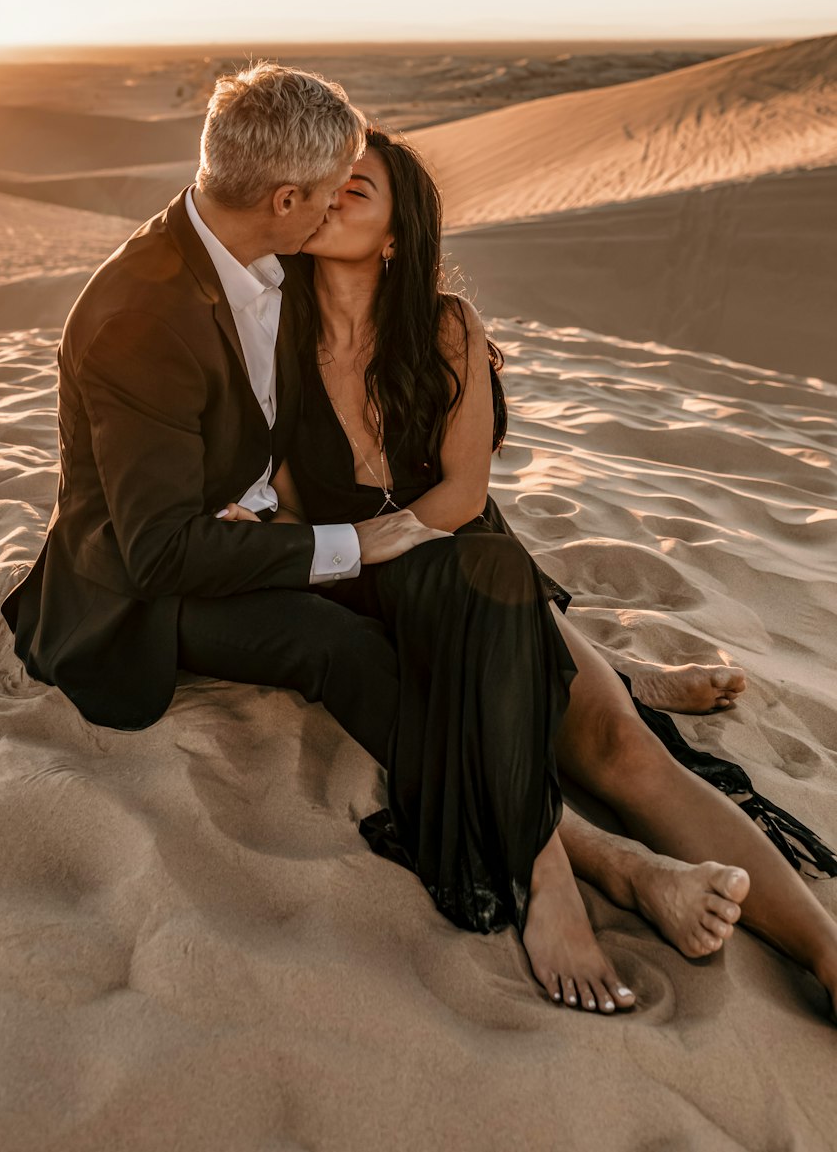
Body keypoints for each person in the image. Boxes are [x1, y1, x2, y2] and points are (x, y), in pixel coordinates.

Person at [214, 126, 837, 1018]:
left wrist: (380, 539)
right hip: (356, 589)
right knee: (507, 710)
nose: (332, 196)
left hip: (475, 570)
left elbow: (464, 498)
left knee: (619, 748)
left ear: (396, 235)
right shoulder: (272, 343)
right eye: (326, 185)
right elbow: (282, 495)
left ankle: (826, 946)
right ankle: (568, 868)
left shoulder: (446, 328)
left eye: (359, 190)